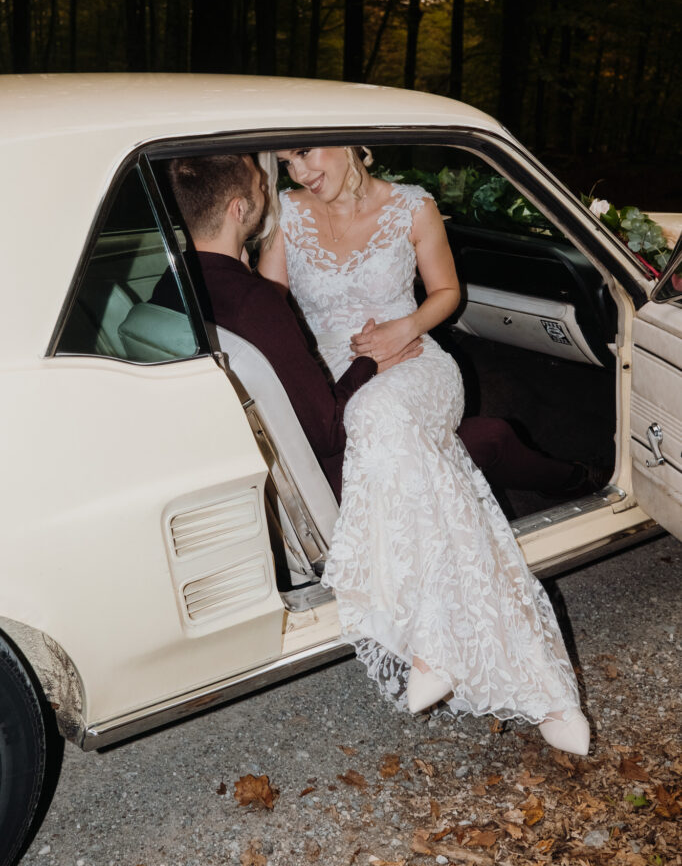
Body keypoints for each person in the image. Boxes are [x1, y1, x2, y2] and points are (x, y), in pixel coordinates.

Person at [258, 145, 591, 756]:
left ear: (350, 141)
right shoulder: (284, 214)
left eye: (304, 154)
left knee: (381, 414)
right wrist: (341, 365)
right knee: (395, 437)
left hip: (418, 363)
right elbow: (269, 311)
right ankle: (525, 682)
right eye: (285, 162)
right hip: (337, 370)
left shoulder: (413, 206)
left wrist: (403, 329)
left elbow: (446, 292)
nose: (299, 172)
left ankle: (430, 642)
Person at [151, 153, 422, 503]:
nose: (269, 189)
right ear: (238, 210)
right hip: (304, 476)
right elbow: (328, 434)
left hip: (228, 454)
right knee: (465, 444)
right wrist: (369, 362)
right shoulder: (257, 303)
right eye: (260, 186)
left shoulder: (170, 283)